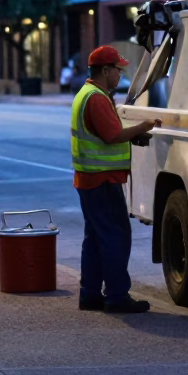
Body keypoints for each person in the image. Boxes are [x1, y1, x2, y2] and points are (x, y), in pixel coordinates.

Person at [71, 45, 160, 313]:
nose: (120, 74)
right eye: (118, 70)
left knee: (96, 237)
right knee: (115, 237)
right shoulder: (97, 98)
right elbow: (112, 136)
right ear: (105, 70)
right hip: (102, 180)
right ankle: (117, 296)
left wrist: (131, 134)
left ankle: (90, 294)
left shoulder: (86, 94)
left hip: (89, 179)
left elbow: (104, 134)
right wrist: (143, 126)